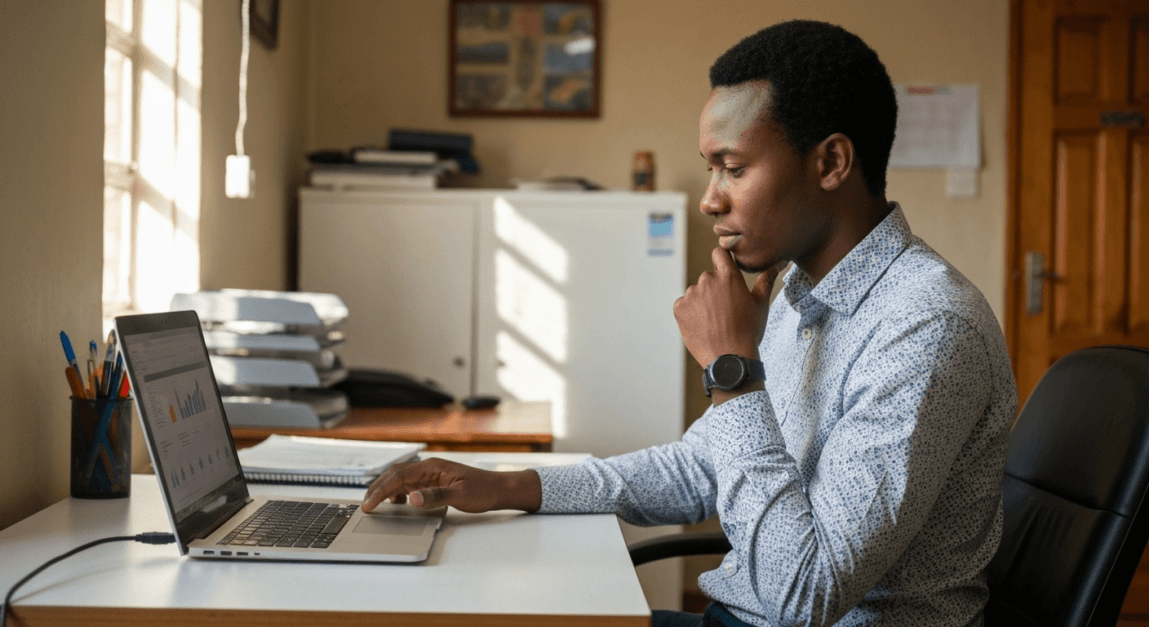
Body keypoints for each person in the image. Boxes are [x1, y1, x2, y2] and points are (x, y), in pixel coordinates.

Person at [362, 20, 1016, 627]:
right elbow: (698, 467)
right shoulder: (798, 292)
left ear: (830, 163)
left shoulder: (925, 329)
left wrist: (732, 371)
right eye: (711, 169)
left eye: (732, 168)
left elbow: (805, 594)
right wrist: (508, 485)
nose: (709, 198)